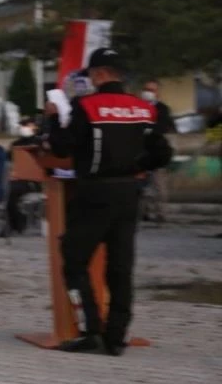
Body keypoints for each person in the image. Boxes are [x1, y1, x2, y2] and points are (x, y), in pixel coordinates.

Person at [45, 48, 173, 356]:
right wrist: (137, 167)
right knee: (120, 266)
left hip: (93, 192)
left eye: (91, 74)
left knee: (74, 259)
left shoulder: (87, 106)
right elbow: (163, 154)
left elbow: (62, 148)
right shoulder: (143, 108)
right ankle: (116, 336)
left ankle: (91, 330)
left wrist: (53, 118)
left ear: (100, 73)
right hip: (129, 193)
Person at [0, 117, 42, 237]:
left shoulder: (39, 143)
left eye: (27, 125)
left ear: (34, 127)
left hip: (34, 181)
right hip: (17, 179)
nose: (24, 128)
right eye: (22, 125)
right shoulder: (16, 144)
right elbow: (7, 161)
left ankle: (15, 223)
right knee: (8, 190)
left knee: (12, 191)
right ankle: (16, 222)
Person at [140, 80, 175, 223]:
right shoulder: (138, 106)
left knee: (159, 184)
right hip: (140, 151)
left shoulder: (162, 109)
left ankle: (161, 214)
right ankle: (144, 212)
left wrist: (148, 130)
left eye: (151, 90)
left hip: (156, 151)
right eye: (146, 89)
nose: (147, 92)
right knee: (142, 185)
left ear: (157, 93)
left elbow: (162, 127)